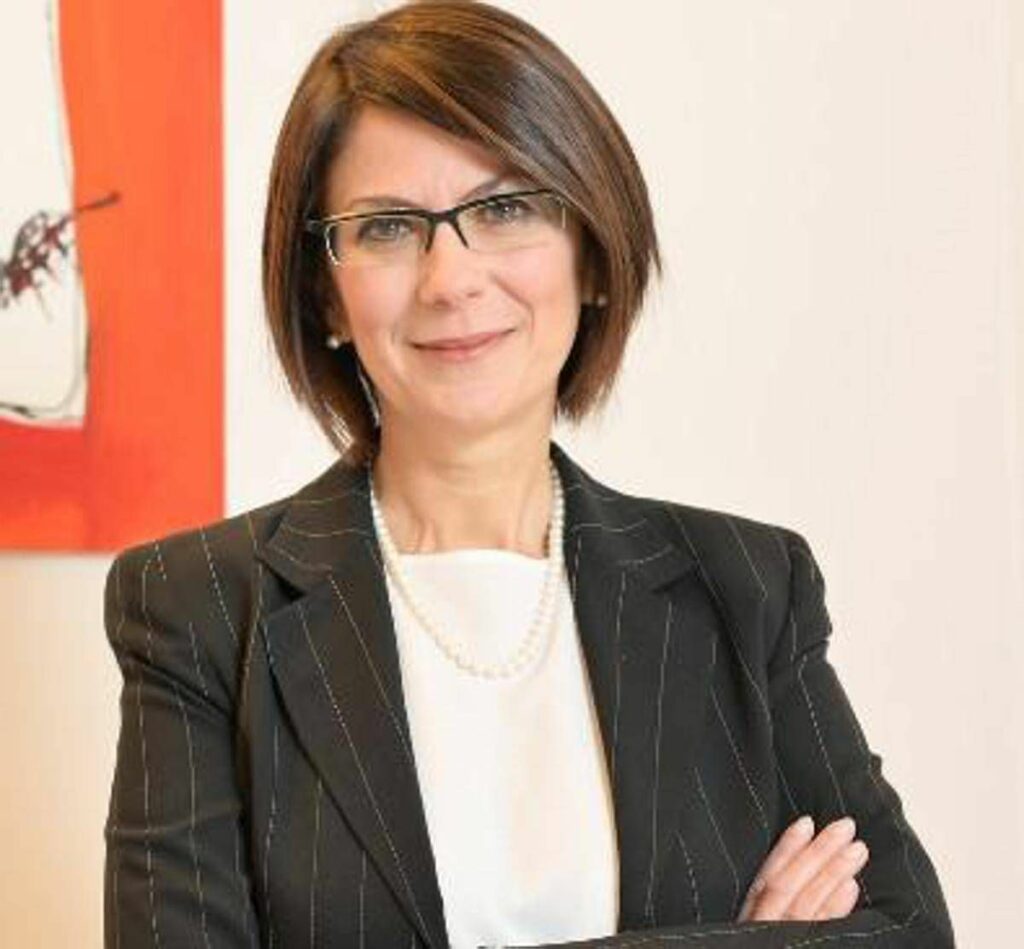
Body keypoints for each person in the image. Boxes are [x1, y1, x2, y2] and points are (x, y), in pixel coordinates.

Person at [102, 2, 954, 947]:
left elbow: (910, 932)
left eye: (504, 209)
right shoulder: (201, 608)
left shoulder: (748, 589)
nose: (451, 280)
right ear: (326, 295)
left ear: (592, 254)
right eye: (388, 227)